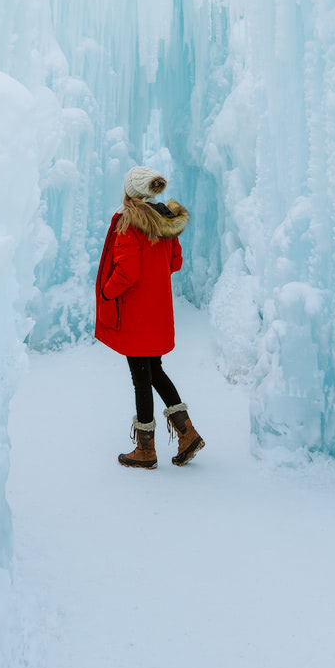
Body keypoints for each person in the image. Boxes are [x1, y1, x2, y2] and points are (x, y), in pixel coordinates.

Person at [94, 166, 206, 469]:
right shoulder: (164, 221)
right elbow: (175, 262)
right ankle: (187, 433)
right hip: (157, 310)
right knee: (153, 370)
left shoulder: (130, 223)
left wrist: (106, 291)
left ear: (132, 190)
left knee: (141, 378)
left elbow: (127, 271)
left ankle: (145, 451)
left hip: (134, 313)